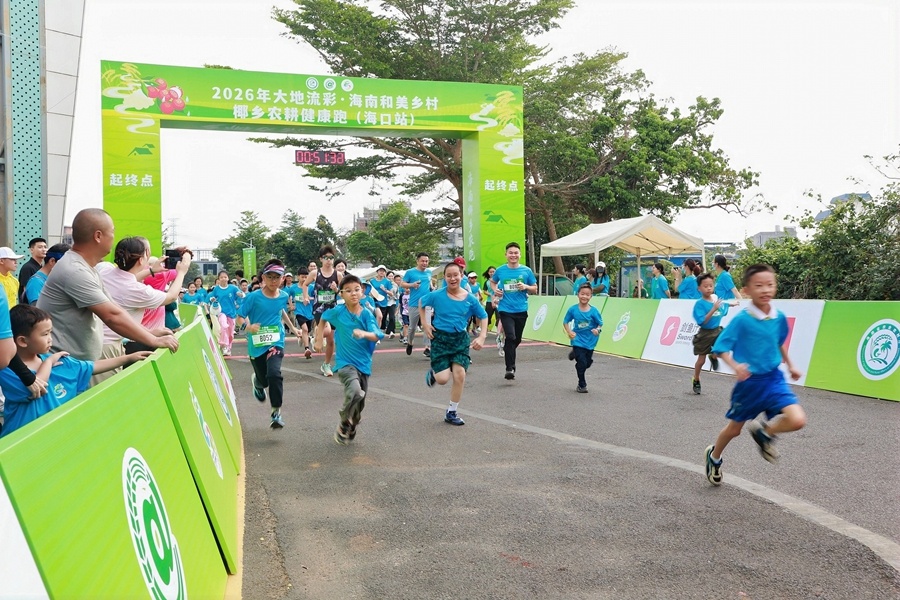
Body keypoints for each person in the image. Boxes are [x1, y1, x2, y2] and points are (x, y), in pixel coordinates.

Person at [704, 264, 807, 486]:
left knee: (797, 420)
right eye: (758, 286)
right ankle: (714, 456)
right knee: (734, 430)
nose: (765, 290)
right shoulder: (742, 319)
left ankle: (765, 432)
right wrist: (736, 366)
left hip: (773, 379)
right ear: (747, 290)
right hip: (749, 384)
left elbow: (779, 342)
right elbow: (721, 348)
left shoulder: (778, 317)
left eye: (770, 284)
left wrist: (791, 365)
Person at [37, 208, 179, 362]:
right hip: (66, 365)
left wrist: (148, 332)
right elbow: (112, 316)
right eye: (112, 231)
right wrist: (153, 340)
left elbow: (116, 309)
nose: (113, 237)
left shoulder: (87, 267)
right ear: (98, 236)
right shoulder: (75, 271)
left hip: (78, 363)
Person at [0, 305, 151, 438]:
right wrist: (48, 363)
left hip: (59, 438)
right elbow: (37, 388)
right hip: (21, 444)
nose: (50, 339)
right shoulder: (8, 371)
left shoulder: (60, 361)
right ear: (23, 341)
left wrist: (128, 358)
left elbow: (91, 367)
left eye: (51, 332)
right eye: (45, 334)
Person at [95, 237, 189, 381]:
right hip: (108, 348)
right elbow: (170, 297)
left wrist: (151, 270)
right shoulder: (137, 290)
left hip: (94, 340)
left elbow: (124, 278)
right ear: (141, 260)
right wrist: (182, 272)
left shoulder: (104, 268)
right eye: (147, 252)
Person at [316, 275, 384, 444]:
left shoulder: (366, 315)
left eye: (356, 290)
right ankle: (344, 420)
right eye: (348, 291)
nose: (353, 293)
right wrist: (318, 338)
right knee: (355, 391)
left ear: (362, 292)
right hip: (345, 363)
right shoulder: (338, 312)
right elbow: (323, 317)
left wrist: (363, 333)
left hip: (364, 364)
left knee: (360, 403)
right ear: (341, 294)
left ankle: (353, 423)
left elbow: (376, 335)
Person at [421, 261, 487, 426]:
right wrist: (425, 324)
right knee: (442, 379)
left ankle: (452, 412)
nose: (452, 278)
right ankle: (434, 372)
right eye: (449, 276)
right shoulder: (437, 295)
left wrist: (482, 336)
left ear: (461, 276)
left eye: (455, 275)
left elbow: (483, 315)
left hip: (460, 340)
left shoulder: (470, 299)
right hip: (440, 339)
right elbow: (422, 303)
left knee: (460, 375)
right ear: (444, 277)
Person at [239, 260, 302, 429]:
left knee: (274, 374)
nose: (273, 281)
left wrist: (293, 329)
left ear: (282, 279)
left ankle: (276, 412)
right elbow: (239, 317)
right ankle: (257, 383)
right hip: (257, 344)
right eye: (270, 277)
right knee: (264, 380)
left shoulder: (283, 296)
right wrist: (248, 327)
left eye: (277, 277)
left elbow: (280, 311)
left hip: (275, 341)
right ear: (263, 278)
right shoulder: (253, 297)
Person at [490, 241, 537, 381]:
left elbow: (535, 288)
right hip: (505, 309)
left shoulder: (526, 271)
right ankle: (509, 368)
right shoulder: (500, 270)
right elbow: (493, 281)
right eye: (510, 253)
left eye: (516, 253)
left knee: (516, 339)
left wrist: (526, 287)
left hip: (521, 309)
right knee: (510, 336)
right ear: (506, 255)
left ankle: (508, 351)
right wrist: (495, 290)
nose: (513, 255)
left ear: (520, 254)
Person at [690, 273, 738, 394]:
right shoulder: (700, 304)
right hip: (705, 334)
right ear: (699, 288)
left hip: (717, 331)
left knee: (723, 348)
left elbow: (722, 305)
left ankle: (714, 356)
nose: (708, 288)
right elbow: (702, 321)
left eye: (711, 285)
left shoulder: (715, 299)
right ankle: (696, 378)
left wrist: (731, 304)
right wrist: (713, 309)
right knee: (701, 360)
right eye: (705, 286)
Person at [303, 245, 342, 376]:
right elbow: (305, 284)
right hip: (319, 308)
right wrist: (305, 296)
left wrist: (336, 289)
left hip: (333, 308)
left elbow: (343, 293)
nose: (329, 260)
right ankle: (317, 334)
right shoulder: (315, 273)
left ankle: (326, 364)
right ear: (321, 259)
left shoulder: (338, 275)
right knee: (327, 330)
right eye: (326, 257)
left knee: (331, 340)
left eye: (331, 258)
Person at [562, 283, 603, 393]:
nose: (584, 296)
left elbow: (600, 324)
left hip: (590, 341)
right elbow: (565, 321)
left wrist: (597, 330)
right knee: (582, 363)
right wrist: (569, 332)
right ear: (578, 294)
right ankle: (582, 384)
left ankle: (576, 355)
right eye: (582, 294)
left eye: (587, 295)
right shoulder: (573, 309)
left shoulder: (594, 311)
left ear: (591, 296)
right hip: (577, 339)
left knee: (587, 363)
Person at [401, 252, 433, 357]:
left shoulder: (429, 272)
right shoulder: (410, 272)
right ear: (417, 261)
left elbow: (429, 283)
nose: (425, 263)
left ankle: (427, 348)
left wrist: (432, 289)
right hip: (414, 303)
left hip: (426, 303)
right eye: (422, 261)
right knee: (412, 328)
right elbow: (402, 284)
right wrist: (412, 285)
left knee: (427, 325)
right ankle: (410, 342)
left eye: (426, 261)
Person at [207, 270, 243, 356]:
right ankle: (224, 345)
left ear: (228, 278)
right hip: (221, 312)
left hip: (231, 313)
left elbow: (241, 295)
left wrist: (240, 295)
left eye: (225, 277)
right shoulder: (216, 289)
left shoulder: (233, 288)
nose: (223, 279)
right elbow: (210, 297)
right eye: (221, 277)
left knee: (230, 334)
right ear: (218, 279)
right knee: (223, 326)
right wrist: (212, 299)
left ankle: (228, 347)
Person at [289, 267, 315, 359]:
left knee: (307, 331)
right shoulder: (293, 288)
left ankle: (302, 338)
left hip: (309, 312)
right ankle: (307, 349)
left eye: (306, 277)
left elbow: (316, 297)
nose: (304, 279)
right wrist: (291, 305)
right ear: (298, 277)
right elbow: (288, 296)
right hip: (299, 312)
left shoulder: (311, 287)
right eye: (302, 277)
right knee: (305, 329)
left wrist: (309, 298)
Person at [17, 237, 47, 304]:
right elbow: (26, 291)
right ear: (31, 250)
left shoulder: (41, 267)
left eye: (45, 247)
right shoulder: (27, 267)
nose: (44, 249)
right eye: (40, 247)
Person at [481, 266, 497, 332]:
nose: (492, 273)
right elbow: (484, 291)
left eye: (493, 272)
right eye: (490, 272)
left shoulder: (499, 281)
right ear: (488, 273)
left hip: (498, 301)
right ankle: (485, 329)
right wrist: (490, 294)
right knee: (488, 316)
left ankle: (499, 331)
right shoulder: (487, 282)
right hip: (489, 301)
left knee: (499, 316)